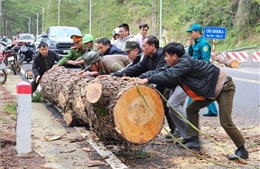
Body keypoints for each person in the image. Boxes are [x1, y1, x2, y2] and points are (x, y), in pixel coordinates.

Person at [135, 42, 249, 160]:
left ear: (174, 56)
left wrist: (147, 80)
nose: (165, 58)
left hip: (223, 86)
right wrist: (141, 78)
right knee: (191, 108)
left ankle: (242, 149)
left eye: (166, 56)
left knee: (226, 122)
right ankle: (194, 140)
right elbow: (160, 71)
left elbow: (168, 75)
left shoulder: (184, 63)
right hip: (209, 88)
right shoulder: (176, 64)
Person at [113, 35, 179, 140]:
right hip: (160, 82)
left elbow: (159, 71)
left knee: (169, 104)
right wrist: (117, 74)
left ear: (152, 46)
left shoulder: (163, 55)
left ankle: (180, 130)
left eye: (144, 46)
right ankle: (172, 128)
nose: (142, 48)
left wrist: (142, 78)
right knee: (160, 103)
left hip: (171, 82)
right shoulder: (147, 57)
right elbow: (137, 68)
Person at [186, 24, 218, 117]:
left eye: (191, 32)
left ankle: (190, 109)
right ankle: (213, 110)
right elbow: (190, 54)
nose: (190, 35)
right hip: (195, 69)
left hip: (201, 71)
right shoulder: (195, 42)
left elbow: (205, 60)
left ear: (197, 32)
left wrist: (199, 70)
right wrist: (190, 46)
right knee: (202, 91)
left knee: (193, 90)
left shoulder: (204, 44)